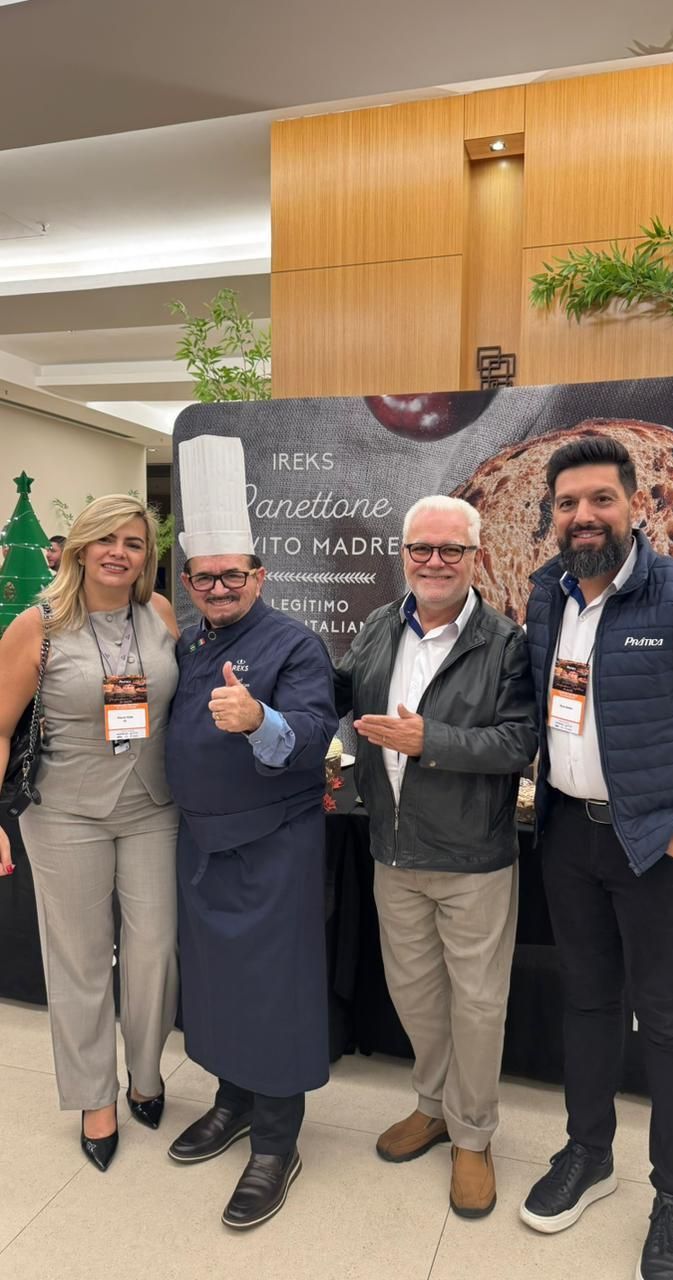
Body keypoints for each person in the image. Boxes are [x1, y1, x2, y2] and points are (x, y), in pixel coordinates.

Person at [521, 434, 673, 1280]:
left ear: (638, 505)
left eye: (600, 498)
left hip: (660, 845)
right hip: (569, 835)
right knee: (589, 1005)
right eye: (568, 503)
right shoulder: (544, 598)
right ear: (552, 518)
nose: (583, 516)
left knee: (670, 1023)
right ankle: (588, 1152)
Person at [334, 494, 537, 1219]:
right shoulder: (378, 628)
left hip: (473, 857)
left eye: (451, 550)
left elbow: (521, 742)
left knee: (478, 1006)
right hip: (392, 847)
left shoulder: (507, 642)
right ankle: (434, 1105)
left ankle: (474, 1137)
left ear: (475, 557)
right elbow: (336, 692)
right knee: (417, 996)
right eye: (422, 548)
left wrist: (434, 742)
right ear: (404, 554)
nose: (435, 562)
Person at [165, 434, 337, 1230]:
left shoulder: (294, 642)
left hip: (273, 846)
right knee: (216, 986)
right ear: (191, 582)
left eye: (235, 574)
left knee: (275, 993)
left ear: (259, 577)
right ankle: (233, 1100)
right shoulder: (191, 642)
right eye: (206, 576)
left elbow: (311, 728)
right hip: (200, 845)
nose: (220, 587)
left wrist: (257, 717)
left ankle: (277, 1140)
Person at [0, 495, 179, 1172]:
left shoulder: (159, 615)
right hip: (64, 811)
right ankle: (94, 1097)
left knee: (154, 950)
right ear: (78, 549)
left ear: (146, 557)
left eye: (133, 543)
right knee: (79, 959)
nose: (118, 553)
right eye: (105, 540)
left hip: (152, 806)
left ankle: (146, 1072)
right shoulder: (37, 627)